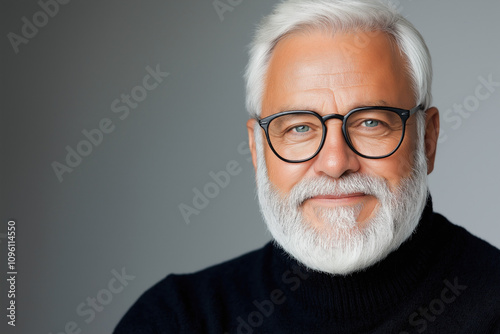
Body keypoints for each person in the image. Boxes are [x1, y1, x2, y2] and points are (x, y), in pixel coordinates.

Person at [114, 0, 500, 333]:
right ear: (257, 149)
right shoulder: (179, 320)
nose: (334, 163)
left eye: (370, 122)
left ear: (427, 140)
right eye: (299, 127)